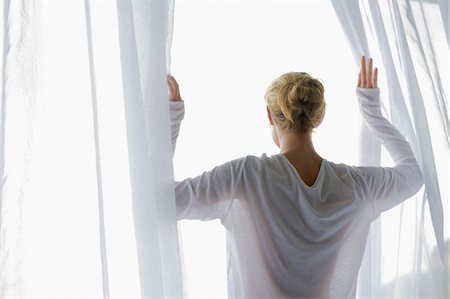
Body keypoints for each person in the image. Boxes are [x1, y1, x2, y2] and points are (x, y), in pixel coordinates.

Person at [166, 56, 424, 298]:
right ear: (318, 117)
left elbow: (165, 202)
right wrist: (371, 112)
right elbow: (413, 173)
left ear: (269, 115)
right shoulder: (356, 185)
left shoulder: (243, 176)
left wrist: (172, 120)